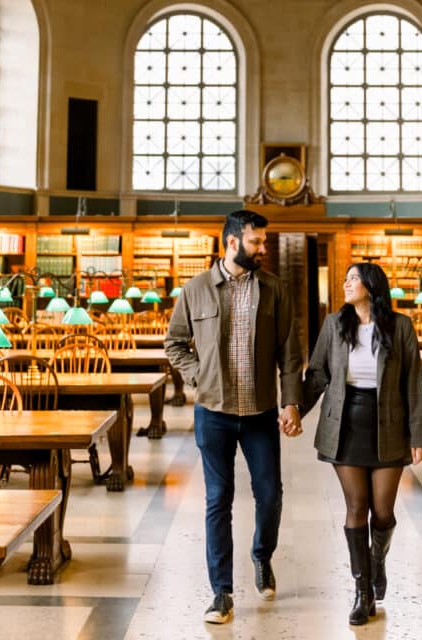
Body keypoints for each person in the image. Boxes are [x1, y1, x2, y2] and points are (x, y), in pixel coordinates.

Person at [164, 209, 303, 625]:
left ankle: (262, 557)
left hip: (260, 412)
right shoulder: (195, 289)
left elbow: (290, 355)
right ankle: (221, 592)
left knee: (270, 495)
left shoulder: (275, 290)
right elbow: (174, 344)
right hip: (214, 413)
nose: (263, 248)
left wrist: (290, 403)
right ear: (231, 242)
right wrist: (198, 377)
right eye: (256, 241)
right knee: (217, 500)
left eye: (263, 241)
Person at [302, 262, 422, 626]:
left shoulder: (400, 326)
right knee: (356, 506)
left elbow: (413, 382)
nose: (346, 284)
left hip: (389, 423)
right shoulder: (334, 324)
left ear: (372, 286)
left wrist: (419, 434)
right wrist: (294, 409)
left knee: (383, 511)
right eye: (345, 279)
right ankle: (363, 592)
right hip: (345, 424)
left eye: (353, 279)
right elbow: (318, 374)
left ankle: (377, 564)